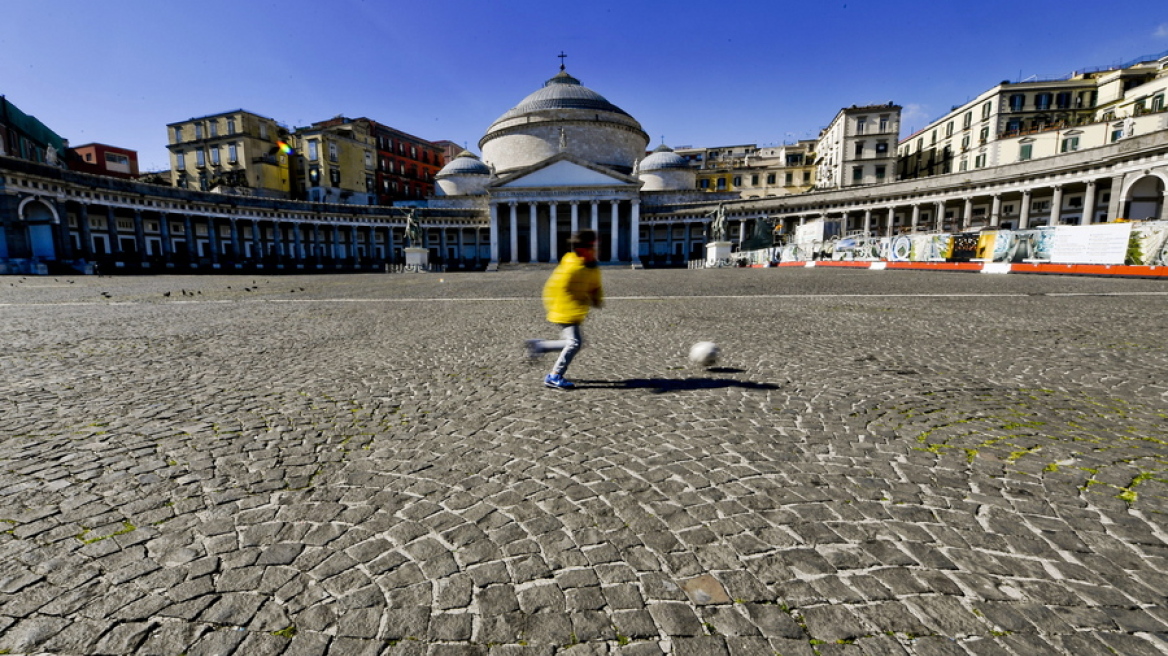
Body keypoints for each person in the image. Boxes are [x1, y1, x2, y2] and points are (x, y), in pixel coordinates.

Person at [525, 230, 604, 389]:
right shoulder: (571, 266)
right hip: (565, 311)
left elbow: (595, 285)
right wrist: (565, 308)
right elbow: (555, 288)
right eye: (593, 247)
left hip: (575, 311)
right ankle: (554, 375)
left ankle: (540, 346)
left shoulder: (591, 266)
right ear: (582, 250)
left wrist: (596, 298)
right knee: (574, 343)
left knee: (572, 343)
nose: (596, 250)